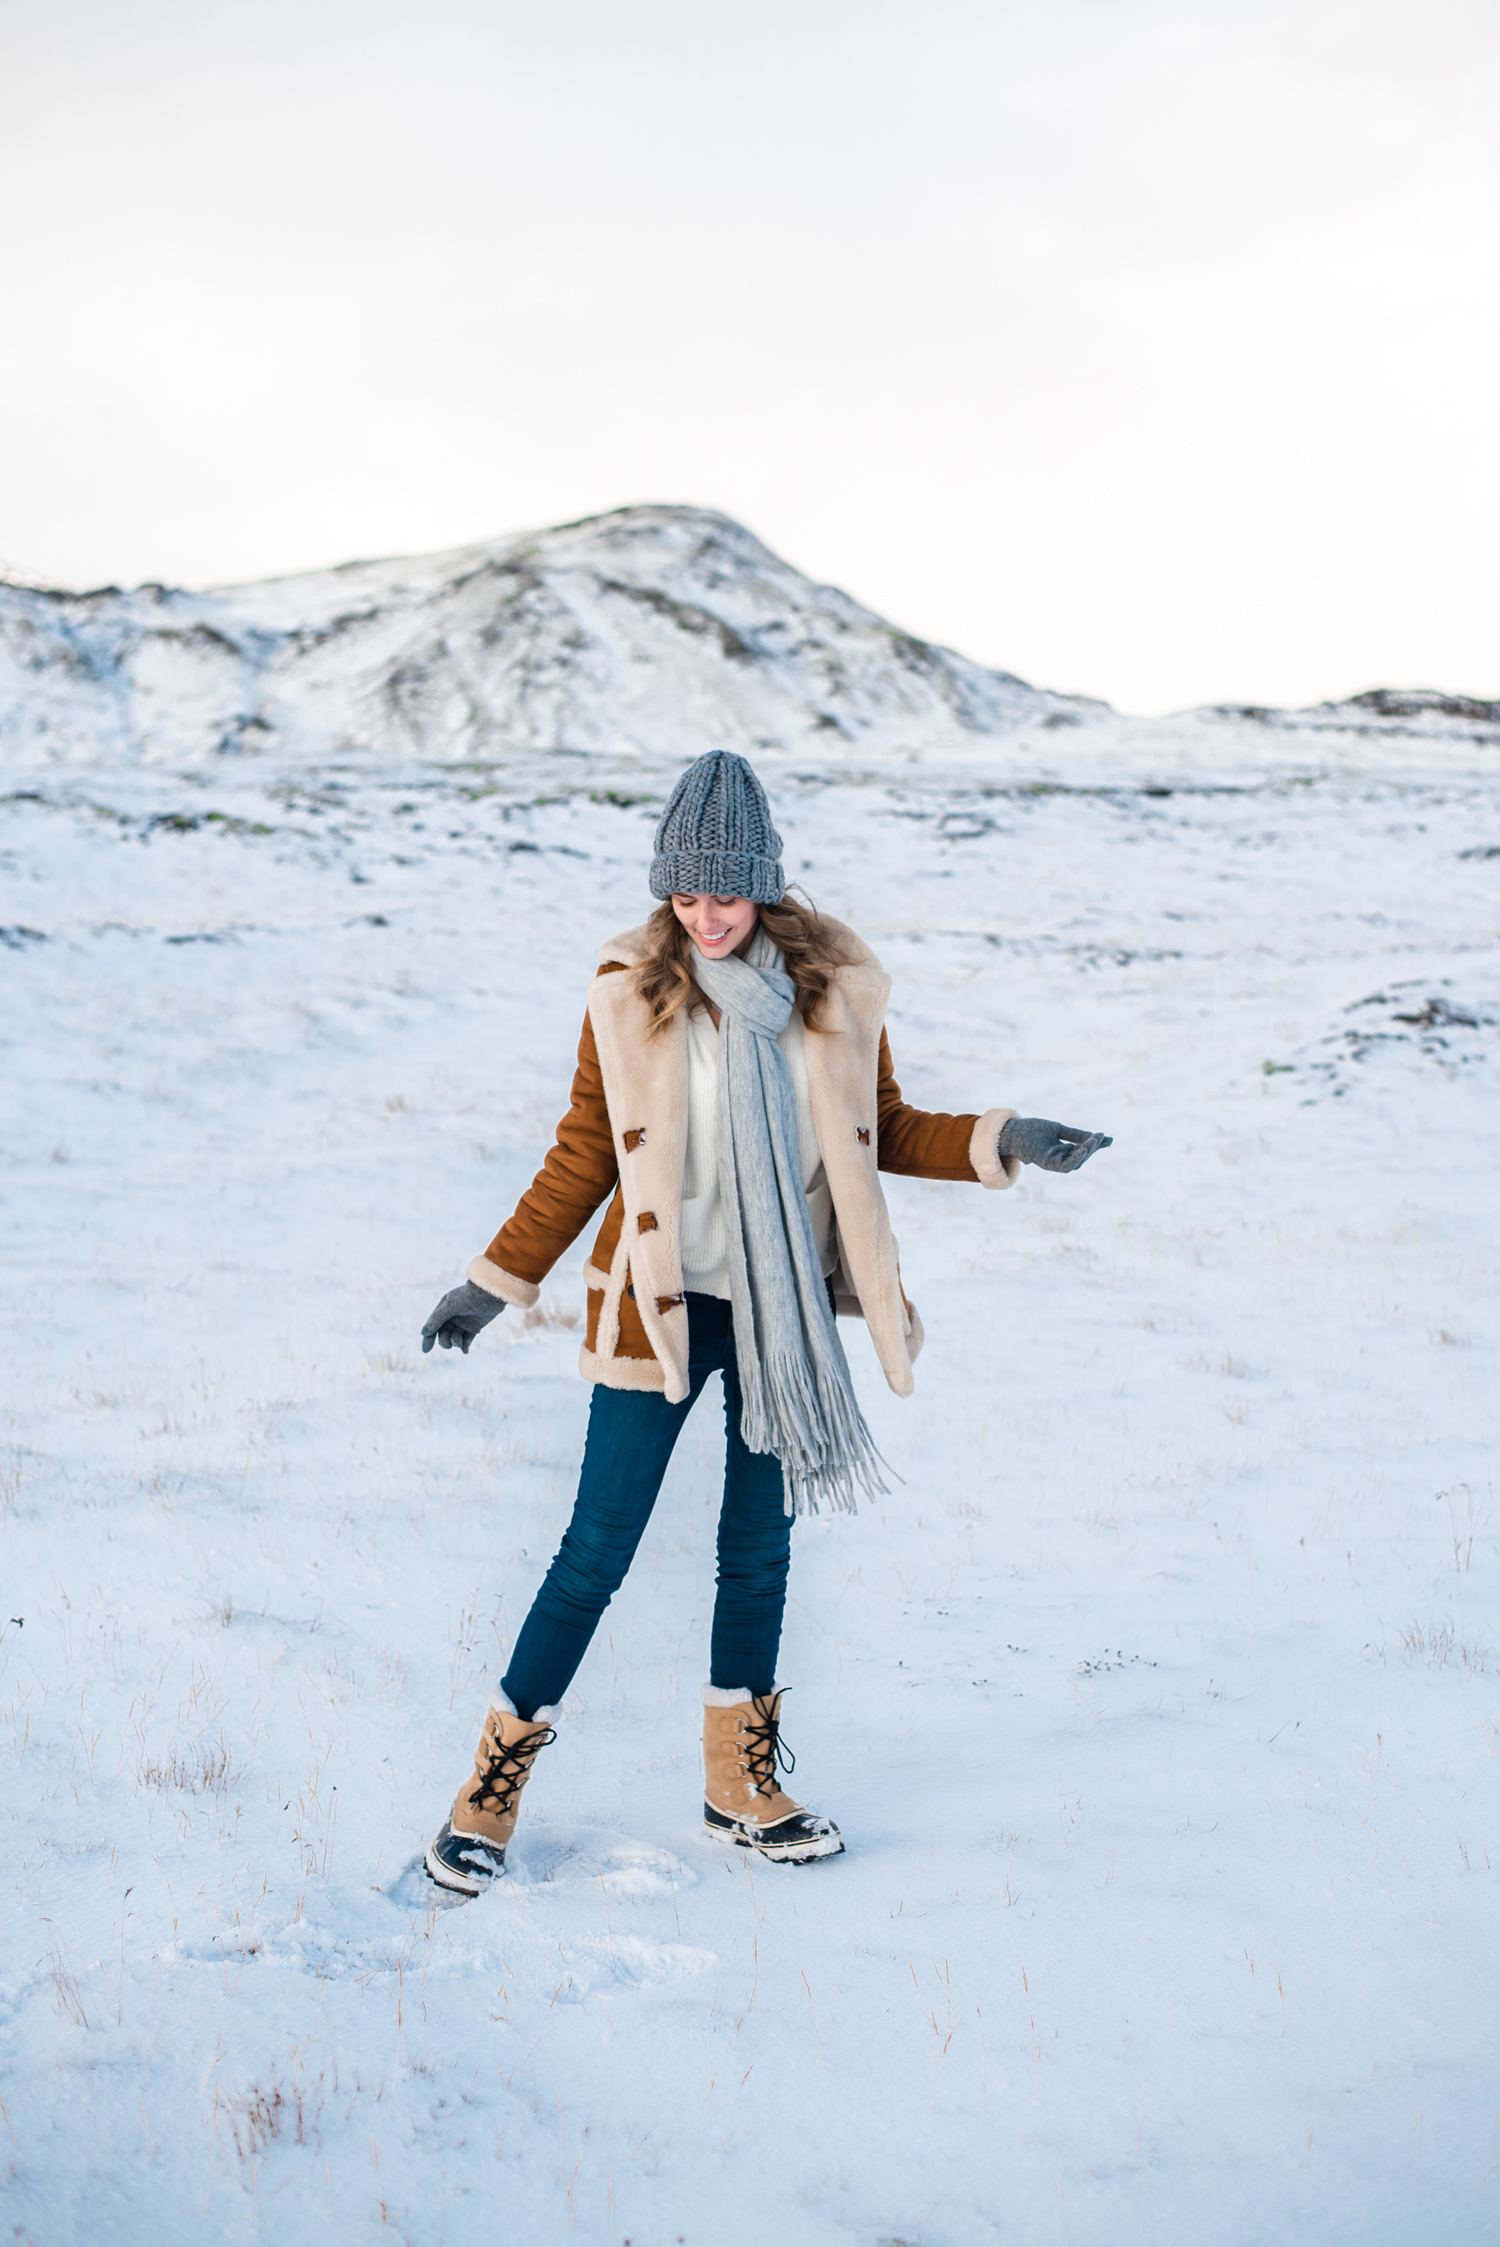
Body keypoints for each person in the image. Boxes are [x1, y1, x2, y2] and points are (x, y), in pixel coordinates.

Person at [418, 749, 1110, 1894]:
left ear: (766, 885)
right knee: (594, 1552)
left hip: (779, 1311)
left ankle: (738, 1788)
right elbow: (585, 1154)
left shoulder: (831, 996)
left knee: (758, 1550)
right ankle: (489, 1792)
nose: (708, 918)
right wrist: (495, 1283)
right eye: (688, 896)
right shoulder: (628, 997)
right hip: (657, 1309)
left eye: (728, 895)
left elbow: (882, 1128)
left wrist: (1005, 1138)